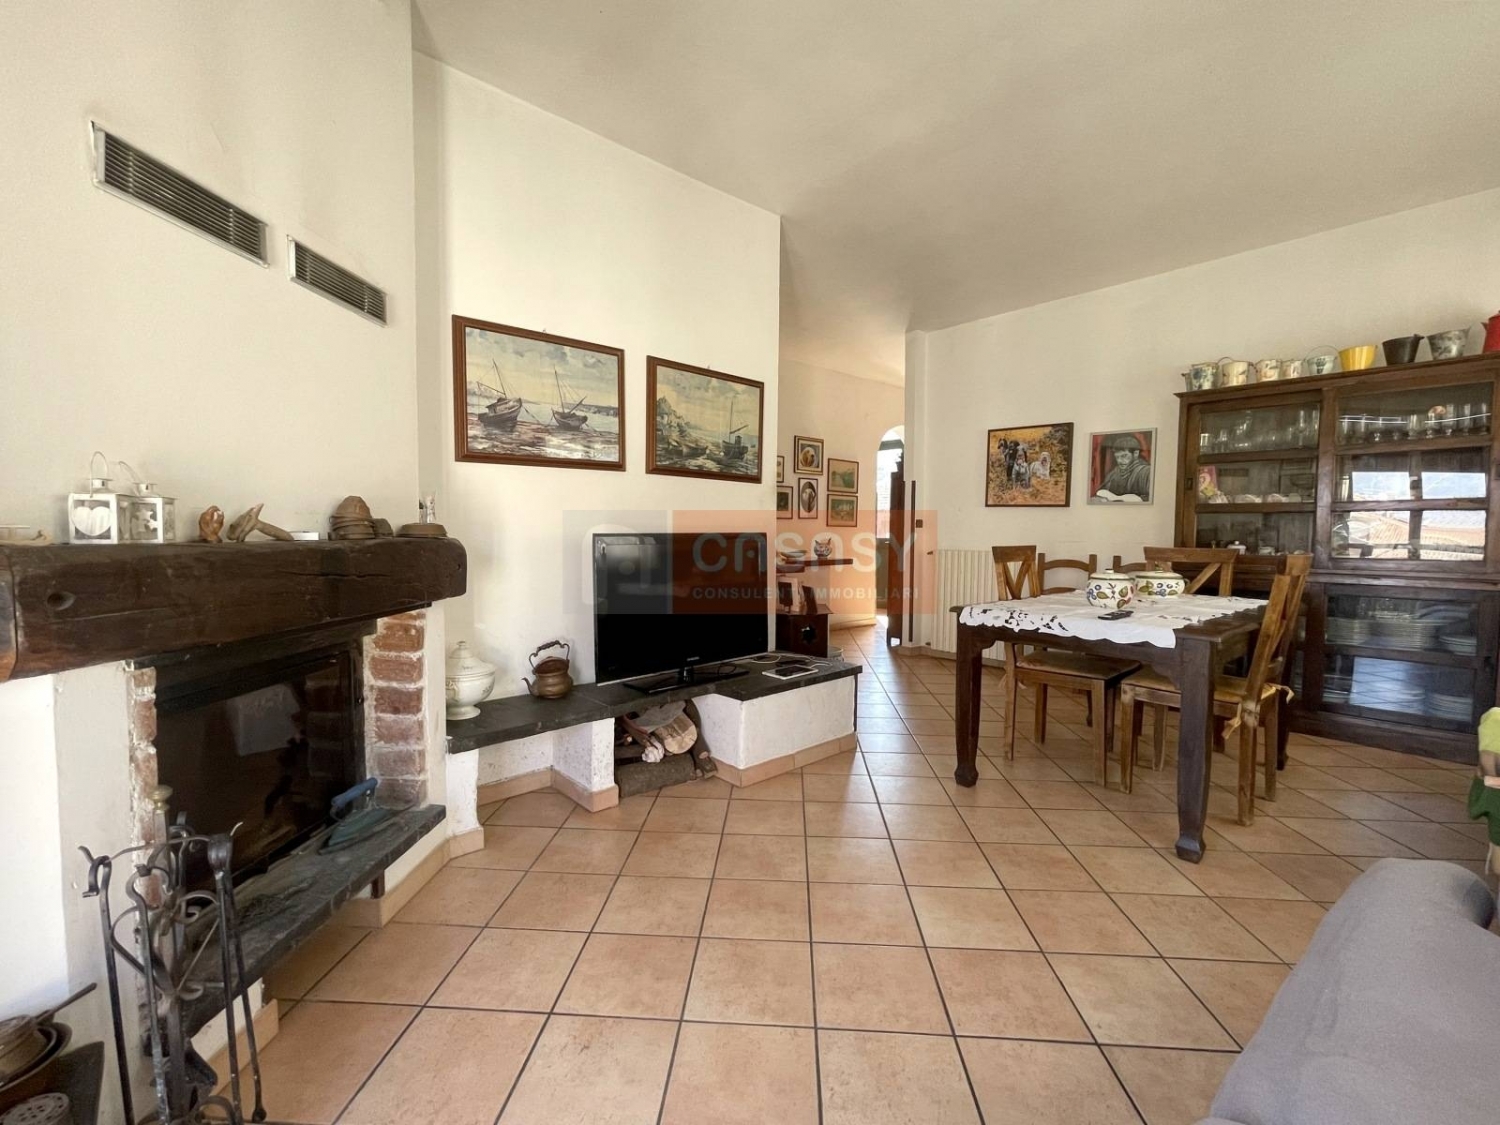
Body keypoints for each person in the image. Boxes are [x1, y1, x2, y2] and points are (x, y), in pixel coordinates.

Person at [1095, 434, 1151, 501]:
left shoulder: (1147, 472)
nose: (1119, 461)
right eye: (1117, 457)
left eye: (1124, 456)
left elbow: (1153, 498)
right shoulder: (1112, 475)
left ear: (1136, 453)